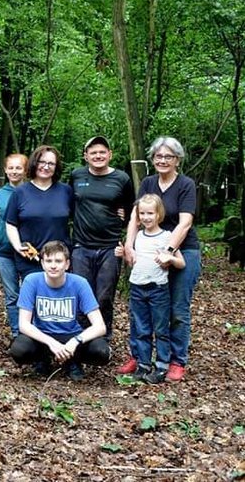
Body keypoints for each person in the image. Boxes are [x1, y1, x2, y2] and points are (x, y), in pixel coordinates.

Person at [121, 137, 201, 382]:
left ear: (177, 160)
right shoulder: (148, 182)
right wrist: (129, 245)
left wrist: (167, 250)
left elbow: (185, 222)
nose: (163, 160)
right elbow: (135, 216)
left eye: (168, 157)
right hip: (147, 249)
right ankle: (140, 357)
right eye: (158, 156)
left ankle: (176, 361)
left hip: (181, 250)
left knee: (177, 309)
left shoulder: (186, 184)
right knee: (141, 307)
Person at [8, 241, 111, 381]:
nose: (53, 265)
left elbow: (100, 326)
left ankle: (72, 361)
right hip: (42, 337)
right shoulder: (31, 281)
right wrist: (51, 343)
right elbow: (24, 324)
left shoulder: (79, 283)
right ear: (42, 263)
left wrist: (75, 341)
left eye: (58, 261)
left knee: (101, 352)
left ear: (67, 264)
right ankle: (43, 359)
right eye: (48, 261)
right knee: (19, 350)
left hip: (70, 335)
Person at [68, 136, 135, 341]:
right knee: (80, 294)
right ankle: (78, 338)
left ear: (109, 155)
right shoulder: (76, 176)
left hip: (110, 247)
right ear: (86, 156)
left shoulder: (122, 179)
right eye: (93, 152)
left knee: (104, 297)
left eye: (102, 152)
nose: (98, 156)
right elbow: (70, 206)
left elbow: (131, 210)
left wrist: (124, 230)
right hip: (81, 245)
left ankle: (102, 340)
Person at [119, 194, 185, 383]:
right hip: (137, 287)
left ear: (159, 214)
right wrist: (122, 253)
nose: (146, 217)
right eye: (142, 213)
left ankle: (162, 365)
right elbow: (132, 260)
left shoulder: (167, 237)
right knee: (141, 328)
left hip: (158, 289)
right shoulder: (137, 236)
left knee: (161, 328)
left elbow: (181, 263)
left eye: (150, 213)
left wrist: (170, 258)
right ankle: (143, 364)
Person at [5, 145, 73, 278]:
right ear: (34, 163)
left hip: (59, 260)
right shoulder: (20, 192)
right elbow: (10, 223)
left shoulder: (66, 191)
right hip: (30, 259)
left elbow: (80, 216)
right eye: (42, 162)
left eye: (51, 163)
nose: (46, 167)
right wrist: (18, 246)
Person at [0, 153, 28, 339]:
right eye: (11, 167)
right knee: (12, 296)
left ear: (26, 170)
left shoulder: (31, 192)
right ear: (5, 169)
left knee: (29, 295)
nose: (14, 171)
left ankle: (32, 333)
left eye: (18, 168)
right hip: (4, 252)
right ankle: (17, 333)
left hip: (28, 252)